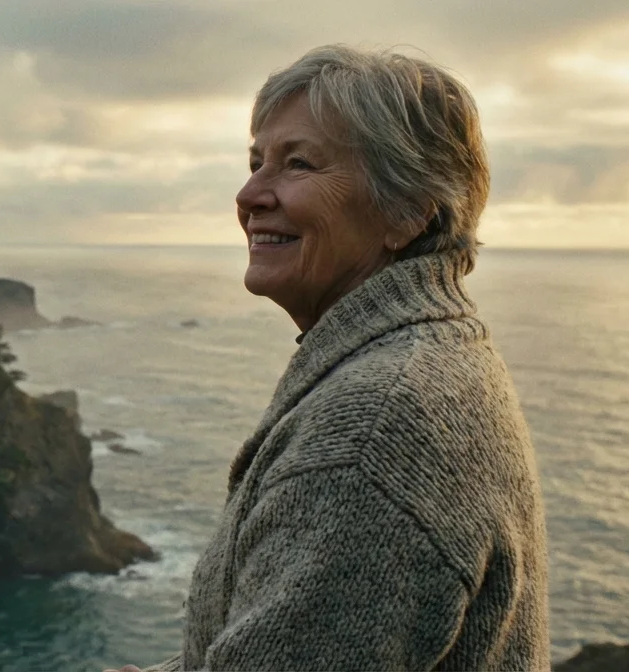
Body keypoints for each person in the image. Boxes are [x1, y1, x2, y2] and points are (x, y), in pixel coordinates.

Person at [109, 45, 550, 671]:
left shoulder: (374, 432)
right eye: (256, 161)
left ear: (406, 212)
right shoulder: (432, 355)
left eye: (298, 164)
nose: (250, 193)